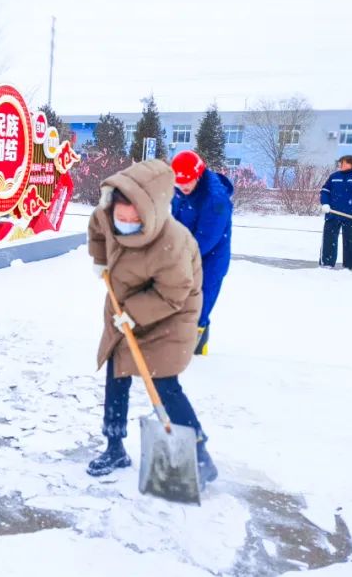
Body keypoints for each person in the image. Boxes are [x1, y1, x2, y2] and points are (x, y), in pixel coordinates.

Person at [85, 160, 217, 487]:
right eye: (121, 217)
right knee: (117, 375)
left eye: (134, 219)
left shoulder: (172, 242)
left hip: (169, 314)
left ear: (150, 212)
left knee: (163, 384)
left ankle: (199, 454)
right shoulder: (107, 215)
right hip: (123, 308)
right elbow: (97, 228)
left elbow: (175, 292)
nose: (126, 223)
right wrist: (100, 259)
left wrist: (136, 313)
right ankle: (114, 446)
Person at [170, 150, 233, 356]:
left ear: (198, 174)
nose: (183, 186)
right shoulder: (181, 189)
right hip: (187, 251)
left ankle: (196, 351)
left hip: (211, 258)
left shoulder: (216, 200)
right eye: (179, 182)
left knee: (200, 301)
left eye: (187, 181)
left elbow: (206, 239)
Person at [319, 155, 352, 272]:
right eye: (339, 163)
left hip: (351, 215)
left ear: (350, 164)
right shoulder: (334, 177)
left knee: (351, 241)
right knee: (329, 240)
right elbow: (325, 191)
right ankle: (326, 263)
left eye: (342, 163)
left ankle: (351, 265)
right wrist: (325, 203)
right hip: (333, 214)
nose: (340, 165)